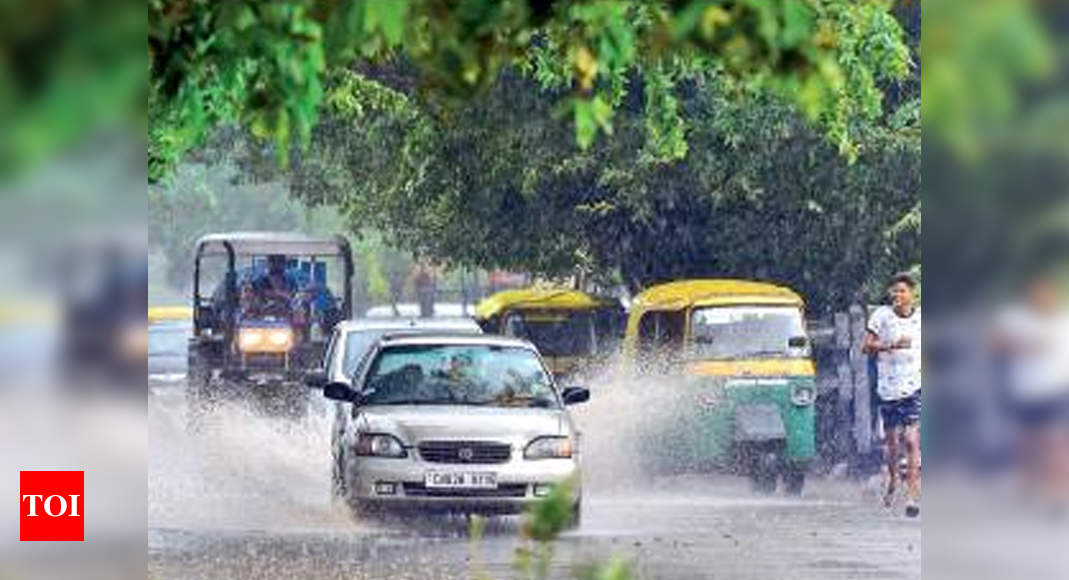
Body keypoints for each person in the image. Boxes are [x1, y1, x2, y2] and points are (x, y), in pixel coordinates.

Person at [863, 272, 922, 517]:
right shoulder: (881, 317)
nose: (898, 295)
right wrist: (891, 346)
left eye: (902, 291)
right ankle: (892, 481)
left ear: (912, 294)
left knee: (911, 440)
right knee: (892, 445)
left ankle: (913, 497)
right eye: (894, 291)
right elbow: (866, 346)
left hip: (915, 386)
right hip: (888, 388)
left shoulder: (921, 319)